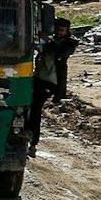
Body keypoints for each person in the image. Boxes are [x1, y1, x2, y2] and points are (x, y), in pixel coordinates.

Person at [29, 18, 77, 156]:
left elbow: (61, 52)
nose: (59, 33)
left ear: (67, 31)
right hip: (37, 78)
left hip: (51, 82)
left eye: (62, 30)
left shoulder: (69, 44)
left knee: (36, 109)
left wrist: (48, 41)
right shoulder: (49, 40)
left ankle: (33, 142)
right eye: (57, 30)